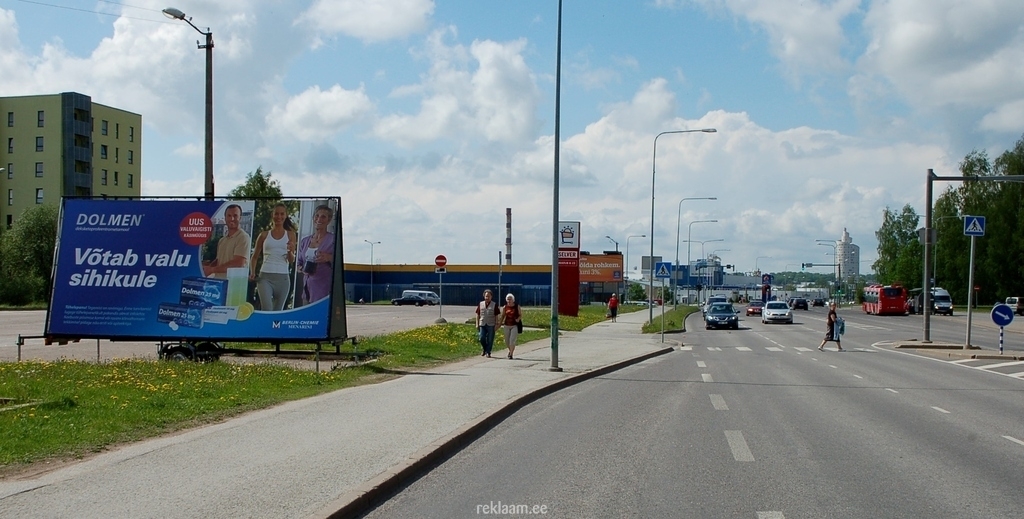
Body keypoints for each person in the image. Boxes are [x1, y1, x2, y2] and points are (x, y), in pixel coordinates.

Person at [249, 203, 297, 311]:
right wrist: (252, 272)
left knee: (277, 312)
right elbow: (255, 256)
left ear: (286, 215)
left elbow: (291, 260)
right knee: (267, 309)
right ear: (272, 215)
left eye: (281, 214)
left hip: (283, 278)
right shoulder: (264, 235)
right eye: (276, 214)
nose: (279, 217)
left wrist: (290, 250)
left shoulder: (291, 235)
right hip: (265, 277)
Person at [296, 204, 336, 305]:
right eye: (317, 216)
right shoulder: (305, 241)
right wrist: (301, 269)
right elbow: (298, 263)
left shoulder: (333, 240)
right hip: (307, 291)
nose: (319, 219)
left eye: (323, 217)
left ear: (329, 220)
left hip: (323, 291)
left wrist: (329, 257)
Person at [202, 204, 250, 279]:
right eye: (229, 216)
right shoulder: (222, 240)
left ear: (240, 218)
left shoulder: (243, 237)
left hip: (235, 285)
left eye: (235, 215)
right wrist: (208, 267)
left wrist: (212, 269)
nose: (232, 218)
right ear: (225, 218)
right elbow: (219, 261)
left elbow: (238, 263)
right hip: (219, 284)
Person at [475, 289, 500, 358]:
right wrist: (477, 323)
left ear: (491, 296)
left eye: (488, 296)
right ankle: (484, 349)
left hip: (491, 324)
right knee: (481, 338)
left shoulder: (494, 305)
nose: (487, 298)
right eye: (486, 296)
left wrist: (496, 324)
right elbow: (477, 314)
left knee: (490, 339)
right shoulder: (481, 304)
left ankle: (488, 352)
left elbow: (496, 315)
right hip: (482, 323)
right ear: (484, 296)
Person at [500, 293, 522, 359]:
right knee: (507, 341)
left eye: (510, 299)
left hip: (514, 325)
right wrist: (499, 323)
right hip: (506, 325)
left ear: (513, 300)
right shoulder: (505, 307)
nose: (509, 300)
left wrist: (518, 319)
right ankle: (510, 350)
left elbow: (520, 314)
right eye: (508, 299)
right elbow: (503, 316)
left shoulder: (517, 306)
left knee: (512, 340)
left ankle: (511, 354)